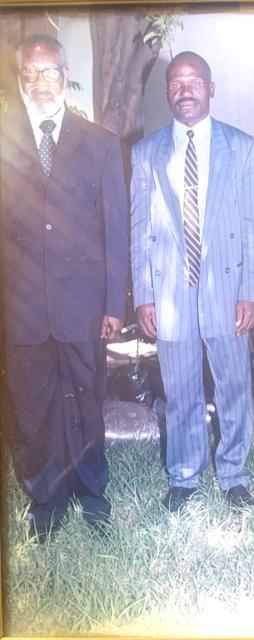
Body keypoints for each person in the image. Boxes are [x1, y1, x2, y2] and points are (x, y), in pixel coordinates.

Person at [0, 34, 128, 539]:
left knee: (86, 400)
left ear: (65, 75)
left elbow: (114, 230)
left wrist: (113, 302)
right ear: (18, 79)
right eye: (28, 74)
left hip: (83, 306)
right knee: (33, 408)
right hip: (22, 308)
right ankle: (46, 503)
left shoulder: (99, 143)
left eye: (49, 72)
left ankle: (92, 494)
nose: (39, 84)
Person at [131, 51, 254, 512]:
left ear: (211, 89)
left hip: (227, 290)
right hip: (170, 291)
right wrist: (144, 294)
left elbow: (250, 223)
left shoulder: (241, 146)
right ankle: (183, 476)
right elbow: (139, 228)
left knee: (233, 386)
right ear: (168, 92)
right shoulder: (146, 152)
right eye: (175, 83)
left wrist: (250, 291)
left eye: (194, 81)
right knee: (180, 386)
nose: (184, 90)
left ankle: (234, 475)